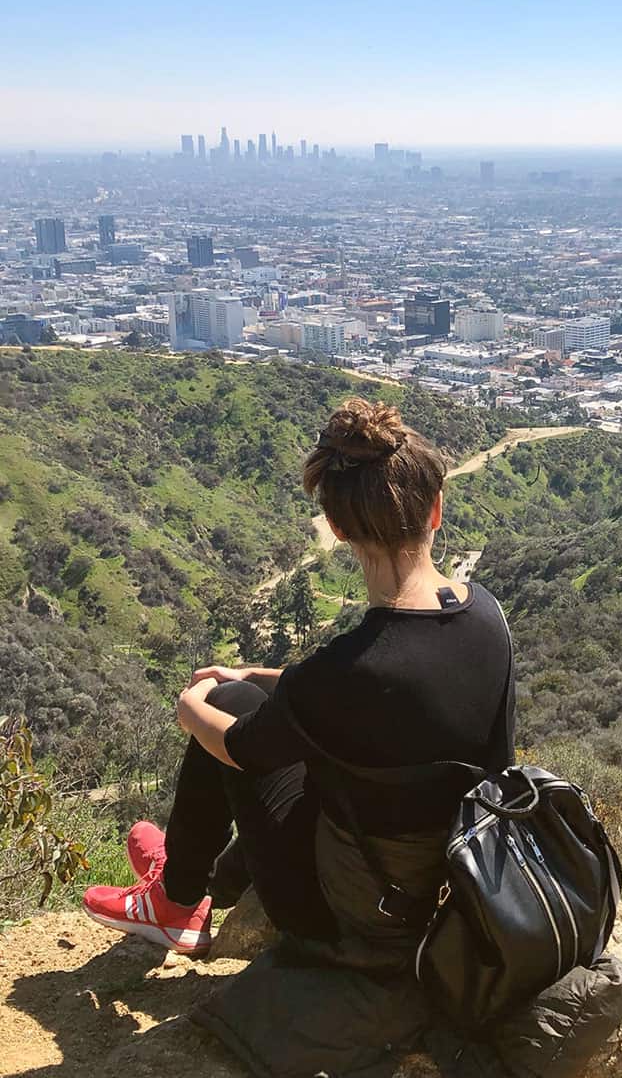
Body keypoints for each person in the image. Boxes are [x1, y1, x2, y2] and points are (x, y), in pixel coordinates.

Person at [83, 396, 514, 959]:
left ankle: (176, 901)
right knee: (247, 694)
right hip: (462, 879)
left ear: (335, 527)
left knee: (225, 704)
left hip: (355, 913)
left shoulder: (351, 667)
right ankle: (197, 885)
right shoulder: (487, 617)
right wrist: (256, 674)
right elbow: (357, 689)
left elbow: (241, 749)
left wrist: (192, 706)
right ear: (436, 509)